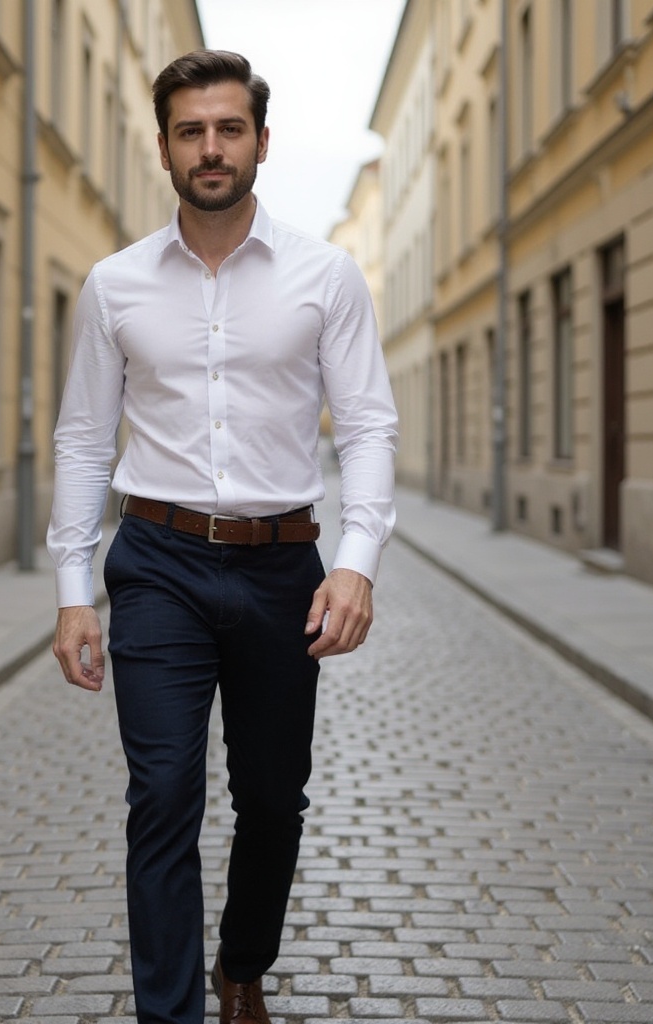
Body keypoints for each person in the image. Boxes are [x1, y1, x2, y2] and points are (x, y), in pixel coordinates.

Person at [48, 49, 398, 1024]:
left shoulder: (325, 276)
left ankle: (242, 965)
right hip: (156, 563)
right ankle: (170, 1014)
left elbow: (368, 427)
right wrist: (74, 589)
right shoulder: (114, 285)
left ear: (261, 142)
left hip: (283, 566)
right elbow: (83, 438)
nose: (211, 148)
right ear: (163, 147)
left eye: (229, 128)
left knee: (273, 797)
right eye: (191, 131)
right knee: (161, 792)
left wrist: (356, 567)